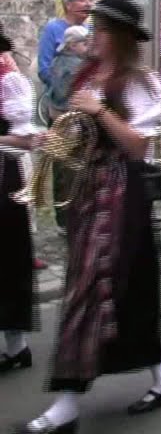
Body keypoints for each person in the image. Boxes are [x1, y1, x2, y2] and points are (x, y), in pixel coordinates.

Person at [16, 0, 161, 434]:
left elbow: (139, 146)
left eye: (103, 29)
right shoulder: (89, 76)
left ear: (123, 38)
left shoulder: (139, 83)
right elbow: (76, 136)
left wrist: (100, 111)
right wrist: (48, 141)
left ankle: (67, 403)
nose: (94, 35)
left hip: (122, 194)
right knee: (114, 290)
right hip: (90, 192)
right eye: (94, 27)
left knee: (92, 287)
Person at [0, 28, 36, 376]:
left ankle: (16, 347)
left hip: (3, 177)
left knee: (6, 260)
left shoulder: (9, 81)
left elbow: (26, 141)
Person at [38, 0, 92, 87]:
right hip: (62, 95)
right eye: (82, 0)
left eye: (89, 0)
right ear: (68, 5)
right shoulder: (52, 29)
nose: (88, 4)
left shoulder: (91, 29)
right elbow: (44, 70)